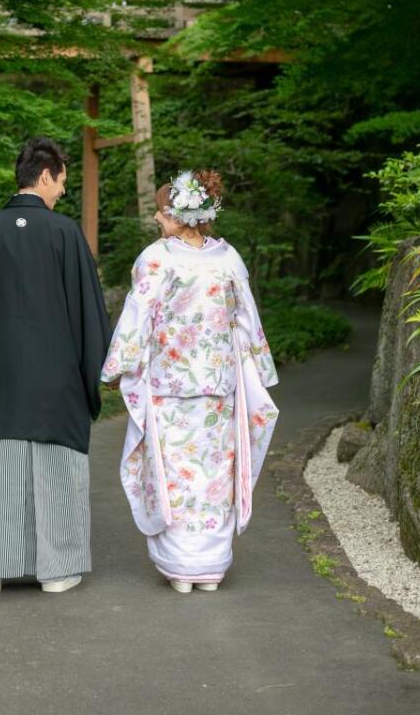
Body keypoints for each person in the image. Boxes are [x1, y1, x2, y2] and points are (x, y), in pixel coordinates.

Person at [0, 136, 112, 595]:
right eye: (61, 182)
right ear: (44, 176)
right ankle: (56, 571)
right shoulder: (64, 233)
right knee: (56, 467)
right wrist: (92, 371)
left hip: (0, 376)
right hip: (56, 379)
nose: (63, 191)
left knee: (2, 469)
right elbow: (89, 315)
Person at [101, 169, 278, 593]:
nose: (157, 219)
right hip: (219, 387)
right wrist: (263, 368)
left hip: (169, 386)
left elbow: (137, 317)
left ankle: (182, 568)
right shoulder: (228, 258)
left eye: (162, 211)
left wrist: (116, 368)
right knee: (213, 476)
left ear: (181, 214)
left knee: (175, 473)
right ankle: (211, 567)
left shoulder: (157, 258)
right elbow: (247, 318)